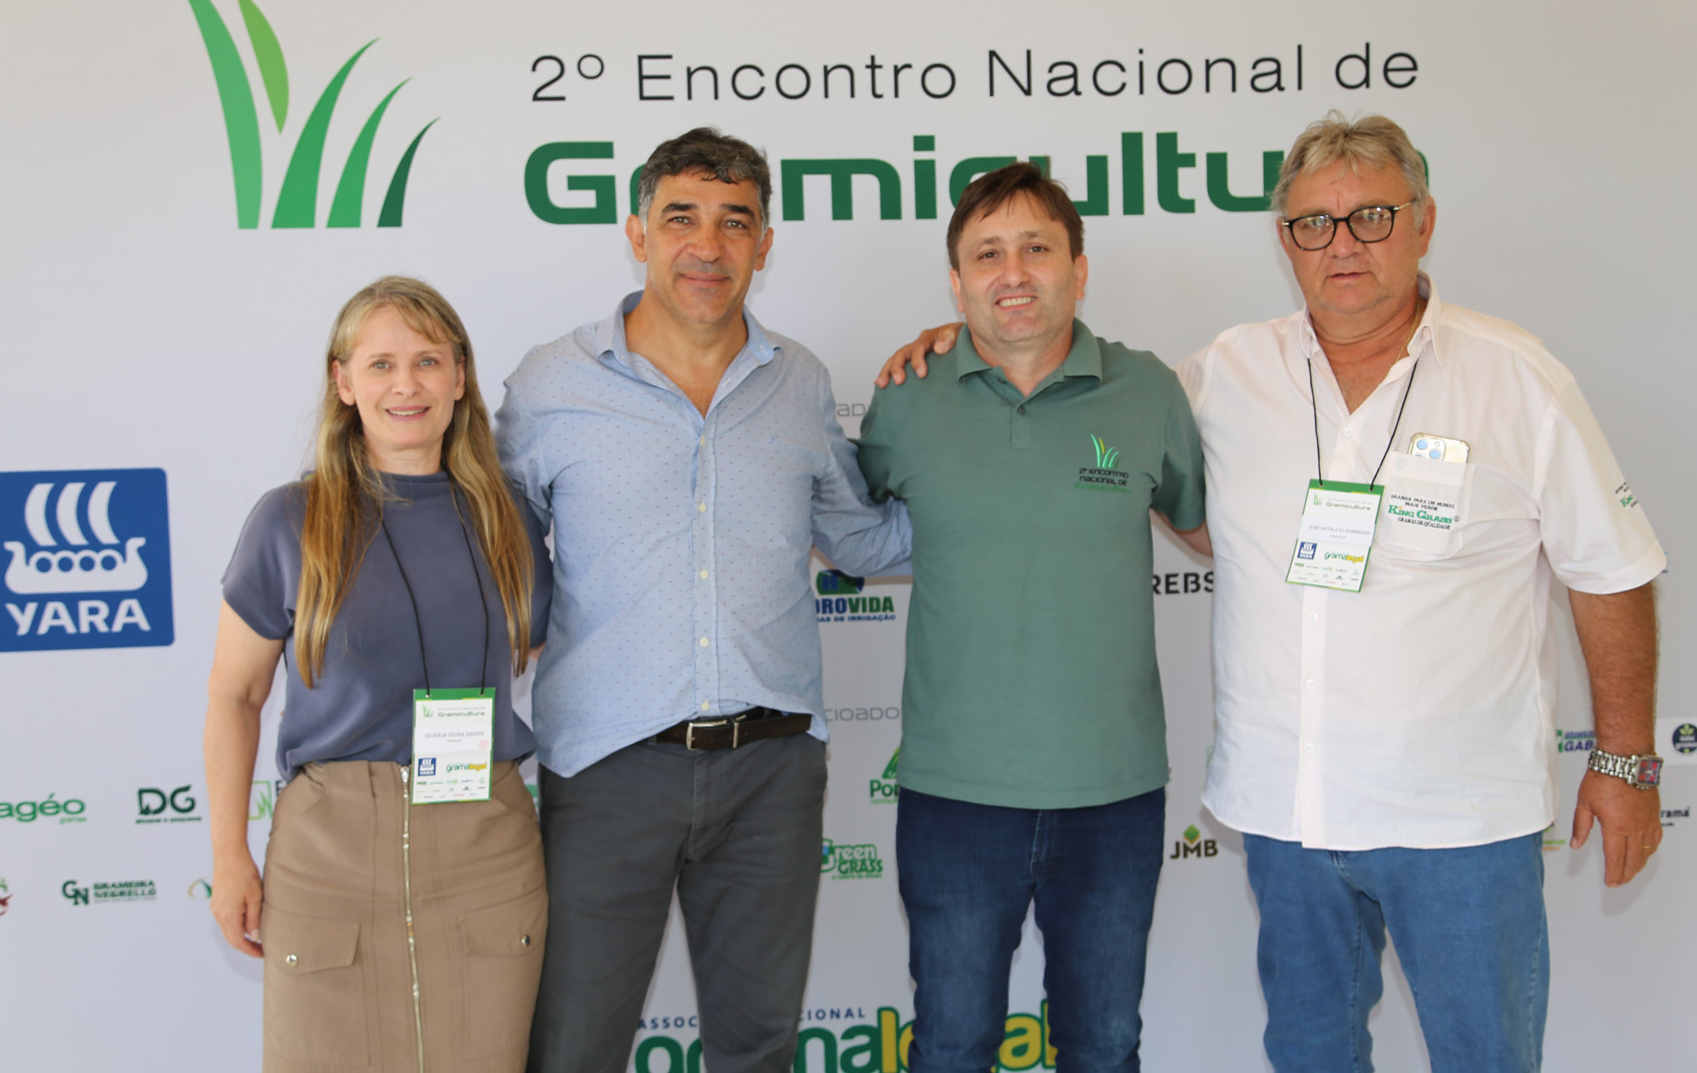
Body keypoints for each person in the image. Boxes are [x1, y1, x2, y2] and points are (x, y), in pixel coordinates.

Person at [878, 114, 1665, 1073]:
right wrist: (963, 344)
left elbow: (1611, 569)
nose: (1343, 244)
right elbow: (1076, 413)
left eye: (1372, 216)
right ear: (1285, 240)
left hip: (1459, 822)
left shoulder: (1517, 377)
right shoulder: (1224, 375)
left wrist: (1625, 761)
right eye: (1313, 224)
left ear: (1423, 222)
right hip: (1292, 819)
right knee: (1310, 1056)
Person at [496, 127, 911, 1073]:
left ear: (765, 244)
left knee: (758, 1050)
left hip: (772, 771)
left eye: (735, 222)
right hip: (607, 768)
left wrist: (1004, 473)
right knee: (572, 1049)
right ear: (637, 232)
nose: (708, 245)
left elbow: (861, 537)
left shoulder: (799, 380)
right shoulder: (550, 383)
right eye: (681, 217)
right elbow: (492, 548)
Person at [854, 162, 1205, 1073]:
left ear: (1078, 269)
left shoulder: (1149, 391)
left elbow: (1214, 532)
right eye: (987, 254)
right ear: (957, 281)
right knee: (952, 1048)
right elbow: (848, 529)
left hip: (1114, 795)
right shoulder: (905, 396)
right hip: (956, 798)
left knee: (1105, 1046)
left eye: (1036, 248)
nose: (1013, 273)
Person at [204, 277, 553, 1073]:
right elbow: (235, 693)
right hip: (329, 855)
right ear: (343, 381)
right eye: (381, 364)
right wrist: (229, 857)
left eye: (428, 360)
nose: (406, 385)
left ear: (459, 377)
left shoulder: (509, 516)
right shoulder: (290, 519)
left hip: (484, 848)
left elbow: (532, 650)